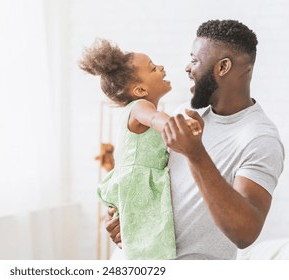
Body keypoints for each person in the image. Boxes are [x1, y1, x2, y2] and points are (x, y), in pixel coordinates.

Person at [105, 19, 285, 260]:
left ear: (222, 67)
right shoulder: (185, 113)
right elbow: (153, 182)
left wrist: (196, 154)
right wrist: (128, 217)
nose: (187, 68)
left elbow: (246, 232)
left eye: (194, 60)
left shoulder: (259, 137)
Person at [79, 39, 201, 259]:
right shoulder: (140, 107)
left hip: (136, 181)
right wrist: (178, 126)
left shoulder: (134, 109)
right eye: (153, 68)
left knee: (140, 237)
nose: (161, 68)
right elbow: (155, 119)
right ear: (140, 89)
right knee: (150, 240)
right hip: (138, 182)